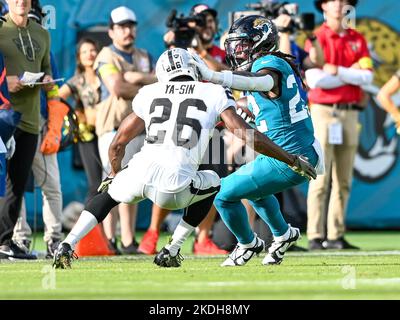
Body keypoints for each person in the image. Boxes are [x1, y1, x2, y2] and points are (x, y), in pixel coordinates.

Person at [52, 47, 316, 269]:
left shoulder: (149, 92)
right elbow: (246, 134)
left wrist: (114, 172)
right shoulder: (212, 92)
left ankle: (68, 242)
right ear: (194, 68)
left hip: (141, 172)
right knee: (215, 182)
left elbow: (118, 141)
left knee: (107, 195)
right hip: (175, 184)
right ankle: (173, 247)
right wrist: (290, 158)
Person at [155, 15, 323, 268]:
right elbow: (265, 102)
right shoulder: (271, 63)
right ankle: (283, 234)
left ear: (261, 41)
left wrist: (215, 75)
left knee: (222, 195)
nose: (237, 50)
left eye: (243, 44)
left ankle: (247, 243)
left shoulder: (268, 64)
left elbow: (262, 82)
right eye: (236, 45)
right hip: (291, 149)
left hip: (290, 155)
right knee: (253, 192)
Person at [141, 3, 230, 256]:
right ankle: (153, 232)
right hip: (179, 123)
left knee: (214, 180)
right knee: (168, 176)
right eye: (200, 21)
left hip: (211, 125)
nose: (206, 25)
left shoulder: (218, 52)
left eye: (209, 20)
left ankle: (202, 238)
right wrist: (176, 46)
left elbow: (222, 73)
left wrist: (199, 53)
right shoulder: (177, 50)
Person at [305, 0, 373, 250]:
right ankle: (314, 235)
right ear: (323, 5)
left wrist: (337, 71)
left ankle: (335, 235)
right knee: (320, 177)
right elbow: (315, 79)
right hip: (323, 112)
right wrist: (349, 73)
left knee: (343, 180)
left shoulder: (357, 38)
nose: (339, 4)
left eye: (344, 0)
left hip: (350, 113)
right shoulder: (316, 36)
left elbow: (367, 76)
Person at [94, 6, 156, 254]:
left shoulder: (143, 55)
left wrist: (135, 77)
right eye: (121, 27)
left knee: (133, 183)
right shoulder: (106, 56)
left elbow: (162, 82)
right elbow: (118, 88)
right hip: (113, 127)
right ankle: (110, 238)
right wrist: (146, 80)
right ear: (111, 31)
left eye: (130, 25)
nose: (127, 31)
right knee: (112, 181)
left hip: (141, 126)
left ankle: (128, 240)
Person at [0, 0, 54, 260]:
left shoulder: (42, 33)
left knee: (17, 185)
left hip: (30, 119)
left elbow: (47, 71)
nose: (20, 1)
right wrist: (5, 82)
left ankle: (4, 242)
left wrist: (45, 81)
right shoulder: (0, 29)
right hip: (2, 117)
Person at [59, 38, 103, 206]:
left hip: (109, 132)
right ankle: (89, 228)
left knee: (112, 183)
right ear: (79, 57)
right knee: (95, 184)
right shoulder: (77, 80)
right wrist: (75, 115)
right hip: (88, 136)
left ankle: (109, 229)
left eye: (92, 50)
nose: (89, 55)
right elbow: (56, 99)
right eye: (84, 52)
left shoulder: (106, 75)